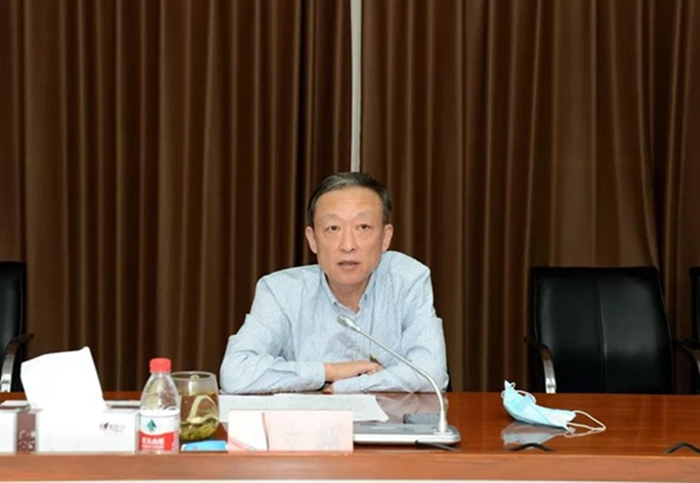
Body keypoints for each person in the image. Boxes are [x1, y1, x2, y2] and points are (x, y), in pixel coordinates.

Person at [220, 172, 448, 394]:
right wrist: (328, 371)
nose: (348, 245)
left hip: (389, 419)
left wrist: (345, 386)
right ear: (312, 239)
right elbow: (235, 373)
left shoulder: (407, 279)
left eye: (363, 227)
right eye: (333, 228)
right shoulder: (281, 291)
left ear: (385, 238)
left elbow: (432, 373)